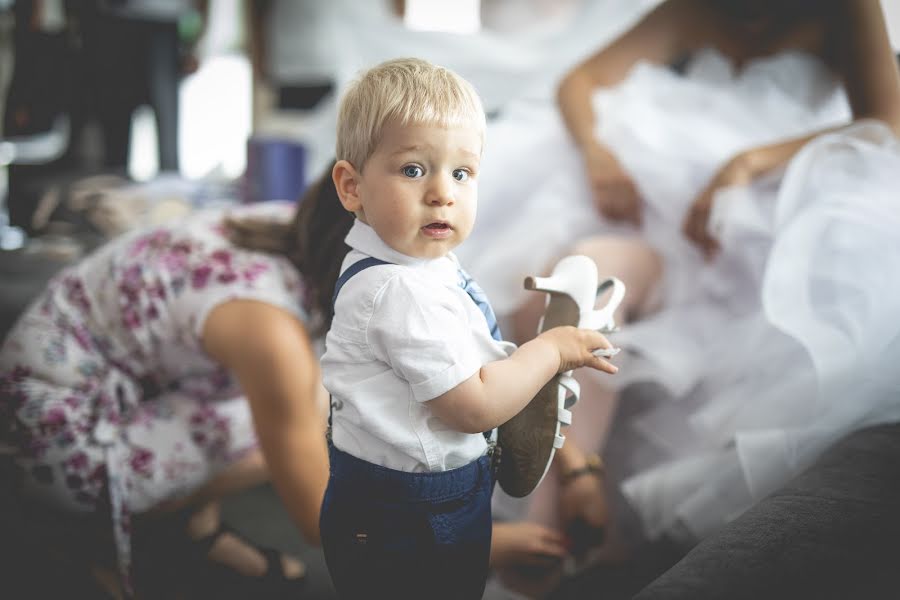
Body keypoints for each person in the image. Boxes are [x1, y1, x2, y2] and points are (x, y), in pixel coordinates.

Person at [455, 0, 900, 582]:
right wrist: (596, 152)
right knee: (578, 283)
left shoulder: (847, 11)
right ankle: (572, 486)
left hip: (765, 238)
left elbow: (885, 123)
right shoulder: (694, 8)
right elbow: (580, 80)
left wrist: (751, 164)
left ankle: (542, 551)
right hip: (648, 212)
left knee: (584, 298)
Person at [312, 57, 618, 599]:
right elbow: (471, 407)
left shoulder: (415, 264)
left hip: (410, 502)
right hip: (407, 520)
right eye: (412, 170)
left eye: (461, 173)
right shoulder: (397, 291)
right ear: (351, 186)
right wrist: (551, 350)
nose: (442, 193)